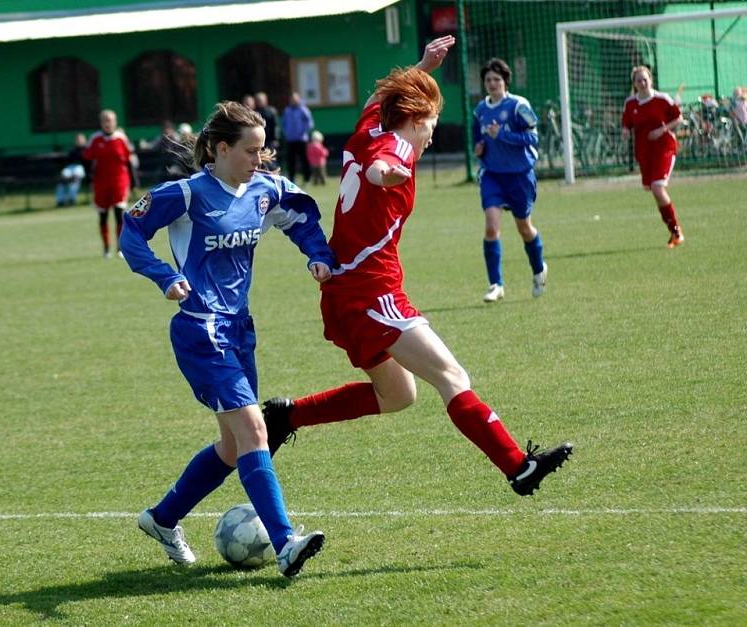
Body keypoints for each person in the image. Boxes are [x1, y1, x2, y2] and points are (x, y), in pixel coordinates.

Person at [262, 36, 572, 500]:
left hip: (346, 293)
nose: (431, 135)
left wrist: (422, 68)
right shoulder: (397, 151)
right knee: (453, 377)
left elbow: (375, 102)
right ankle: (517, 466)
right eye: (430, 124)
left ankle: (285, 417)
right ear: (413, 119)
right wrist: (386, 174)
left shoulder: (370, 127)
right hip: (373, 293)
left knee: (398, 396)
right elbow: (381, 166)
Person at [119, 100, 335, 578]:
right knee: (254, 430)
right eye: (250, 150)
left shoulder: (265, 190)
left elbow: (301, 216)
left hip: (239, 330)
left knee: (235, 447)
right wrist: (162, 275)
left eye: (262, 150)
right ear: (219, 149)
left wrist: (316, 255)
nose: (259, 159)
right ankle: (285, 544)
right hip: (200, 329)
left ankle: (162, 518)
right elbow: (131, 229)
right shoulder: (187, 194)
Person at [472, 58, 546, 303]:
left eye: (496, 79)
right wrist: (479, 147)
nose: (492, 84)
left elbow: (533, 138)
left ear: (505, 81)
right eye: (488, 80)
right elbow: (476, 138)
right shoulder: (480, 110)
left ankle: (538, 270)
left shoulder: (518, 106)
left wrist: (503, 134)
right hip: (492, 175)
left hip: (519, 175)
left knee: (524, 228)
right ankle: (496, 284)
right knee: (491, 226)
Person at [621, 66, 685, 249]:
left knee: (658, 188)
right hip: (644, 152)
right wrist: (625, 131)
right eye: (638, 80)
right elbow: (627, 123)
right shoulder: (630, 103)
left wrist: (662, 130)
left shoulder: (662, 99)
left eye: (645, 79)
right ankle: (673, 231)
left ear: (651, 80)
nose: (642, 83)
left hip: (664, 147)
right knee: (654, 191)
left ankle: (677, 231)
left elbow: (678, 118)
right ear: (634, 83)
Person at [83, 109, 134, 258]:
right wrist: (88, 177)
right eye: (105, 120)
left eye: (110, 120)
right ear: (101, 122)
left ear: (115, 122)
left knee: (119, 215)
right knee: (103, 216)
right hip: (101, 183)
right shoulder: (95, 139)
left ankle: (120, 248)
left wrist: (134, 180)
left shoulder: (121, 139)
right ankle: (106, 248)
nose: (108, 123)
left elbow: (129, 160)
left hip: (119, 181)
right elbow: (86, 158)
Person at [281, 91, 314, 183]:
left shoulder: (303, 109)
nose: (293, 101)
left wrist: (303, 132)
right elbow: (283, 123)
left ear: (298, 99)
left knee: (304, 159)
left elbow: (309, 123)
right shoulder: (287, 110)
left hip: (301, 139)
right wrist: (286, 132)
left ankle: (307, 177)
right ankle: (292, 178)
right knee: (291, 160)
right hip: (290, 139)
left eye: (295, 99)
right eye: (292, 99)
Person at [55, 133, 88, 207]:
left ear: (84, 140)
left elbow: (87, 162)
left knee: (75, 179)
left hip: (80, 168)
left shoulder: (87, 149)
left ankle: (72, 199)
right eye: (77, 139)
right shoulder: (73, 149)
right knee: (62, 178)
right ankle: (60, 200)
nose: (79, 141)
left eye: (80, 139)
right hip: (71, 167)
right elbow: (68, 160)